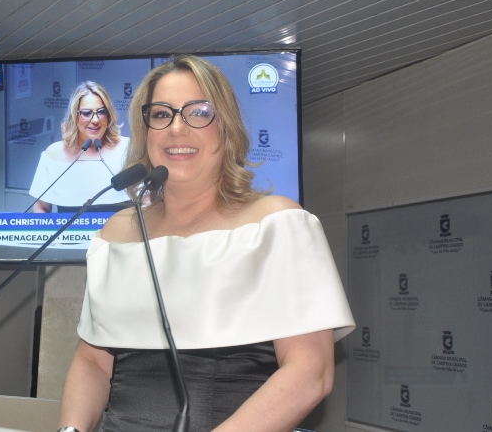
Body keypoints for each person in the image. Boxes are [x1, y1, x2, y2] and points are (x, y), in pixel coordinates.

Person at [57, 55, 355, 431]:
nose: (176, 129)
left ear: (225, 128)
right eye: (161, 114)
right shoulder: (115, 234)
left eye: (198, 112)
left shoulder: (277, 224)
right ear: (145, 132)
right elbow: (92, 362)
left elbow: (311, 372)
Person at [28, 81, 131, 213]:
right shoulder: (54, 154)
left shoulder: (128, 148)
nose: (95, 120)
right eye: (86, 113)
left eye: (101, 112)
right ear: (74, 116)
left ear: (108, 115)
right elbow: (41, 208)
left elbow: (145, 202)